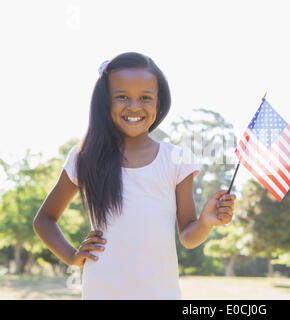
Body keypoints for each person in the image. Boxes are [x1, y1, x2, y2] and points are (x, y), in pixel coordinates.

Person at [33, 52, 236, 299]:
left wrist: (205, 223)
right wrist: (72, 256)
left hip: (160, 293)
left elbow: (188, 237)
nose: (134, 106)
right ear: (105, 102)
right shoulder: (85, 157)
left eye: (145, 98)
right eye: (121, 97)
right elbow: (44, 219)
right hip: (102, 292)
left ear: (159, 102)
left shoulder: (176, 159)